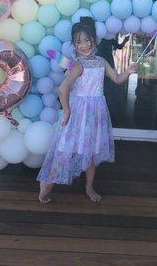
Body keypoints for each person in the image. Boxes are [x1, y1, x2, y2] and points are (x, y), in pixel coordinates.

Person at [37, 17, 138, 203]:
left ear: (95, 40)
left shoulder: (100, 61)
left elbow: (116, 79)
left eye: (87, 40)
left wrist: (128, 71)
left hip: (95, 113)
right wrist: (66, 111)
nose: (83, 45)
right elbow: (63, 88)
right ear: (74, 45)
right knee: (64, 150)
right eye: (78, 42)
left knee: (91, 150)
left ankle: (89, 187)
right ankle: (46, 186)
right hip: (77, 114)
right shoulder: (78, 65)